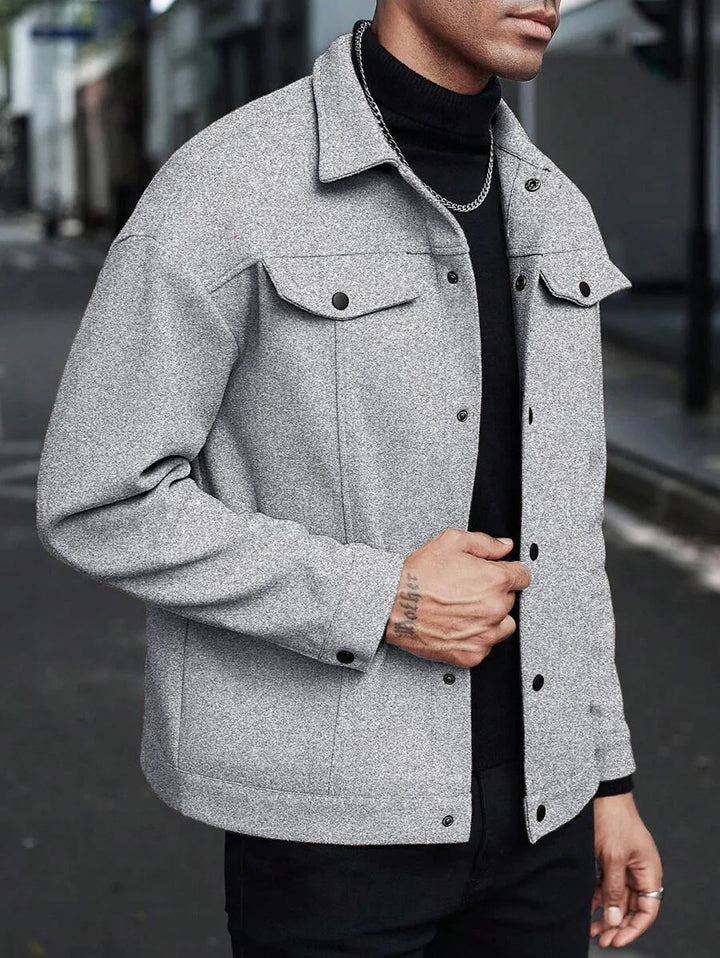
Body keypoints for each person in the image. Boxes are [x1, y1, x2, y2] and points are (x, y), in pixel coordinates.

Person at [35, 1, 664, 954]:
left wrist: (606, 777)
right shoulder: (228, 186)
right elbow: (100, 495)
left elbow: (566, 536)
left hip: (547, 820)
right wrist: (381, 599)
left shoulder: (553, 203)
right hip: (330, 836)